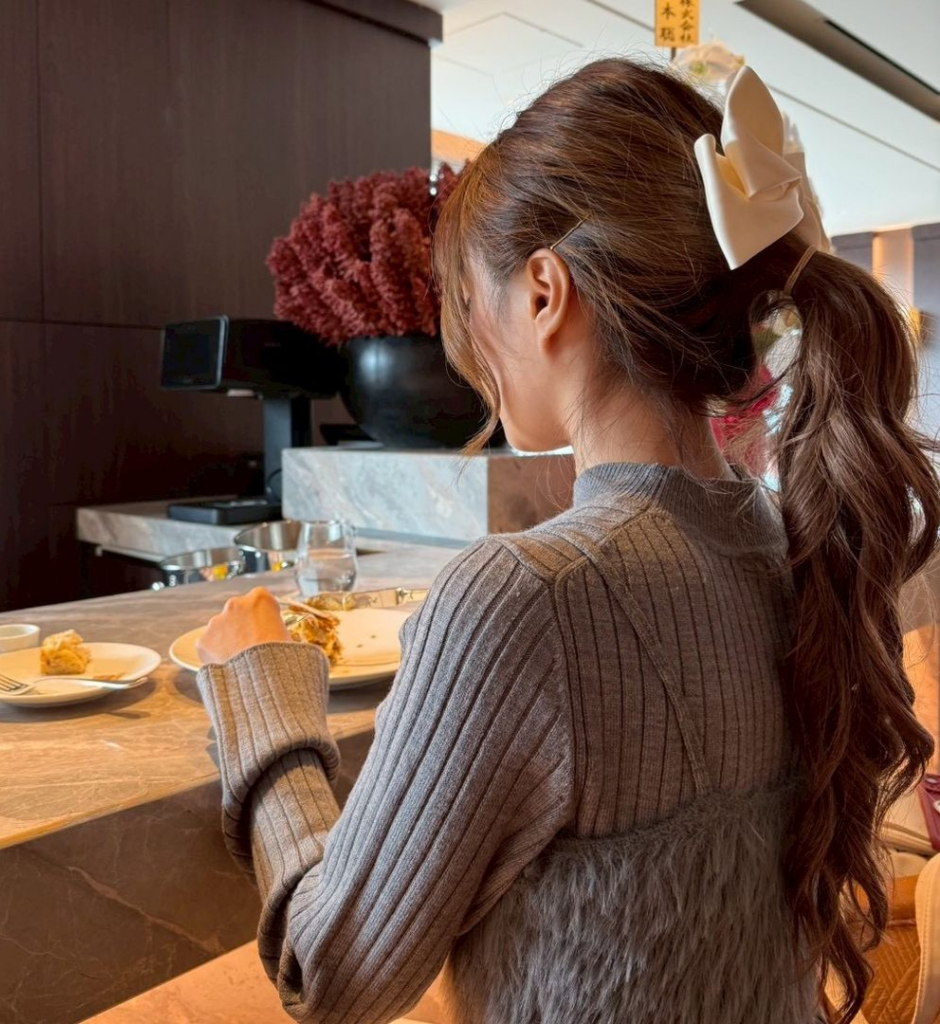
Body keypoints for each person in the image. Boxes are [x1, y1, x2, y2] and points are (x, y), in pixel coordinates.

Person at [194, 59, 939, 1024]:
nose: (472, 346)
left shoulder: (524, 599)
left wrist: (262, 695)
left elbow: (332, 975)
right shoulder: (793, 551)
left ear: (545, 291)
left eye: (473, 301)